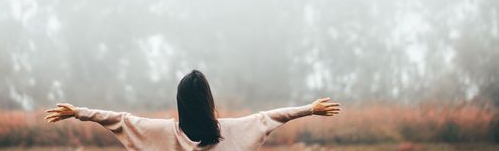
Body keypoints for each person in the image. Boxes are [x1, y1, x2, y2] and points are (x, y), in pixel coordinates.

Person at [45, 70, 341, 150]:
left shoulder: (163, 134)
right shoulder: (232, 132)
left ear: (181, 103)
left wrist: (79, 112)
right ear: (208, 101)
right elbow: (271, 117)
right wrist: (309, 109)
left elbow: (121, 120)